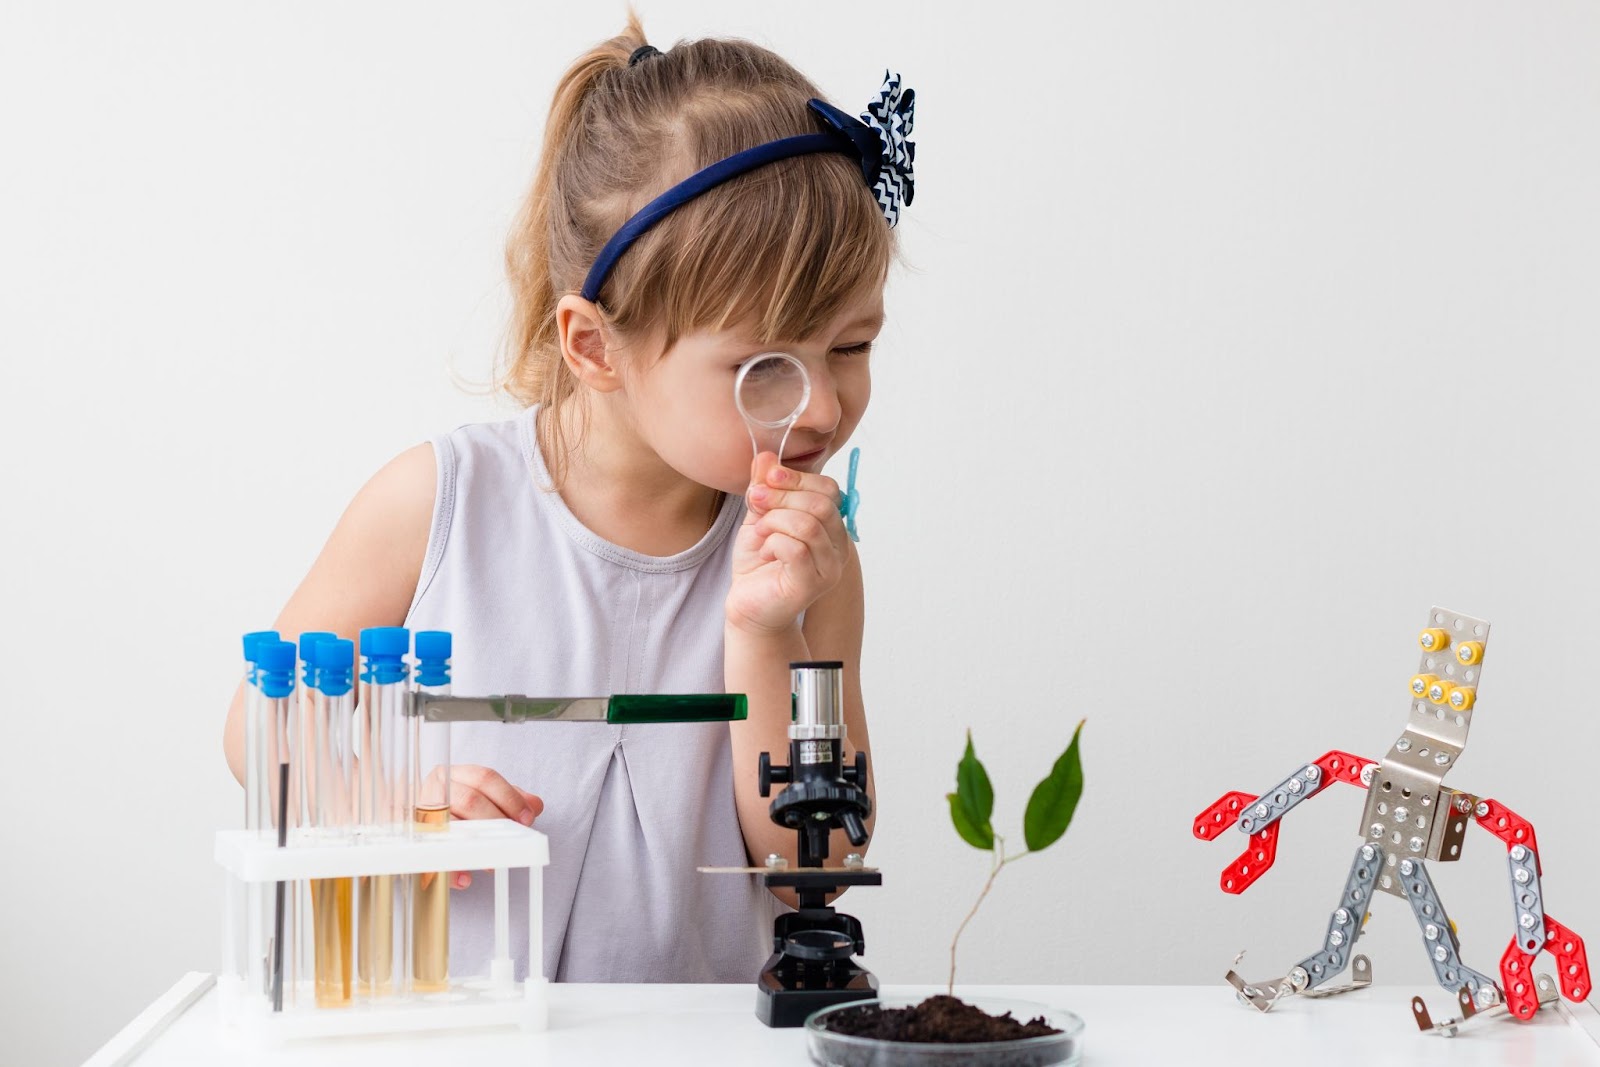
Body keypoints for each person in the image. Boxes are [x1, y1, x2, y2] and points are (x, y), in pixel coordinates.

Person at [221, 13, 915, 983]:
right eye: (763, 364)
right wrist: (392, 797)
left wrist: (762, 629)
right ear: (594, 346)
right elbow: (262, 727)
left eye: (852, 345)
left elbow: (821, 862)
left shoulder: (809, 565)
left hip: (694, 1045)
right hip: (451, 1032)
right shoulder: (438, 502)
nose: (827, 404)